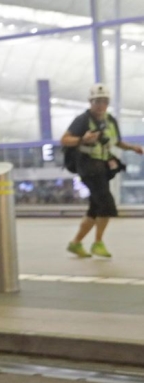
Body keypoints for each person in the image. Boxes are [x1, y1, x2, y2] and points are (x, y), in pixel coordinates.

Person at [60, 83, 142, 258]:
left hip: (102, 167)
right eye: (97, 101)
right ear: (91, 102)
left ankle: (75, 243)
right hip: (88, 166)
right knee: (106, 205)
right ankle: (98, 242)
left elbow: (117, 142)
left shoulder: (110, 120)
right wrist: (83, 139)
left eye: (104, 101)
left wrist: (133, 148)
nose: (101, 104)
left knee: (95, 207)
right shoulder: (82, 120)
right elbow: (64, 139)